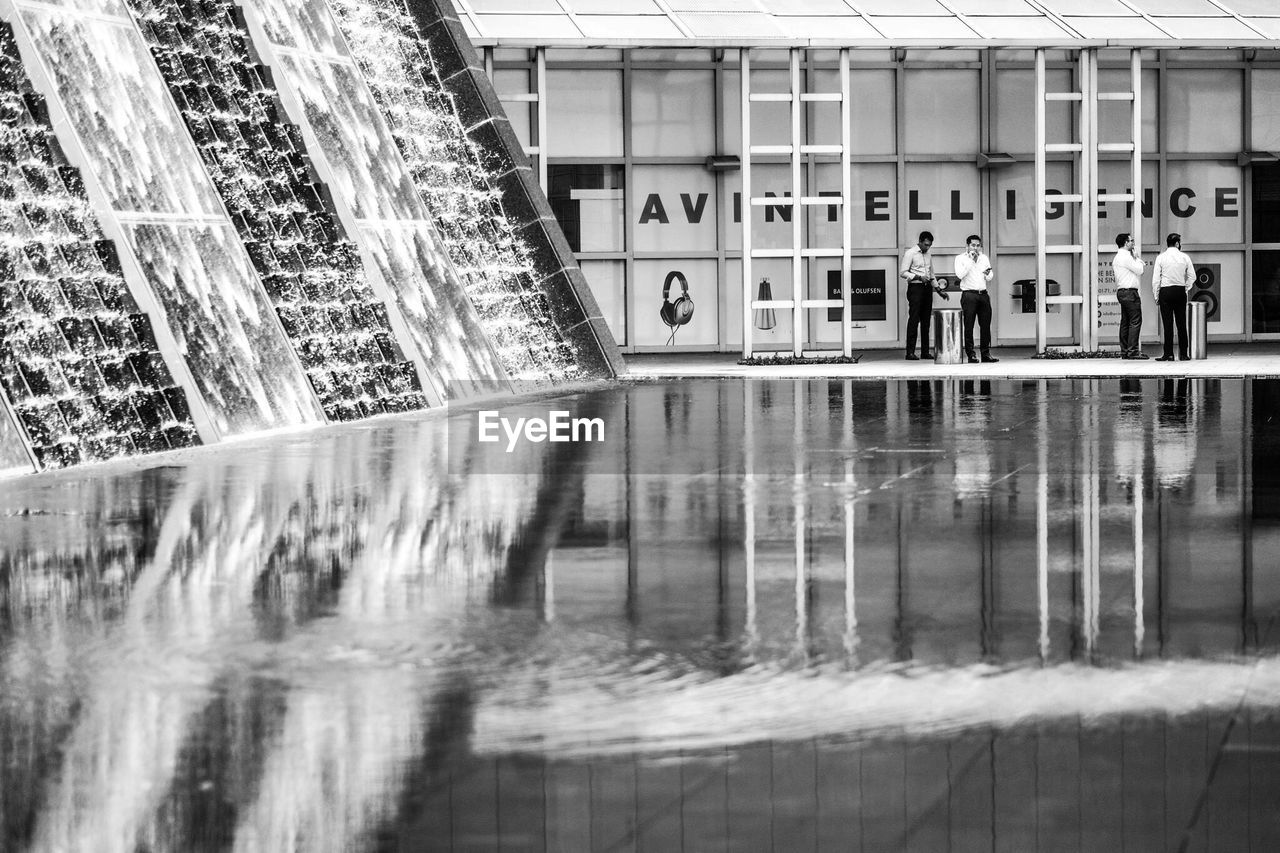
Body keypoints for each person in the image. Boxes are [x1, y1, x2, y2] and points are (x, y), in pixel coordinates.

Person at [899, 230, 947, 360]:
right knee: (914, 319)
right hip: (915, 287)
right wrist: (919, 277)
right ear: (920, 242)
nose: (927, 247)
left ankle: (925, 352)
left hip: (927, 289)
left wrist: (938, 290)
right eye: (925, 244)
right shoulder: (910, 253)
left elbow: (931, 274)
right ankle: (910, 352)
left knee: (926, 321)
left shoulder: (928, 254)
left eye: (929, 245)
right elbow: (903, 272)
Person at [1150, 232, 1196, 361]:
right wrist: (1186, 287)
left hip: (1166, 292)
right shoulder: (1185, 257)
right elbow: (1192, 276)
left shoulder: (1161, 257)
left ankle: (1168, 354)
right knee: (1182, 324)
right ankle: (1183, 354)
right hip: (1180, 291)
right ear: (1177, 243)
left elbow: (1155, 279)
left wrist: (1156, 295)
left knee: (1167, 324)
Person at [953, 234, 997, 363]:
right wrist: (971, 261)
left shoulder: (984, 258)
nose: (975, 248)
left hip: (983, 294)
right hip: (969, 294)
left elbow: (990, 277)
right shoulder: (960, 258)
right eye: (973, 245)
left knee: (985, 325)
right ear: (967, 246)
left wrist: (987, 272)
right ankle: (971, 354)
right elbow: (960, 274)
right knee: (969, 325)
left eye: (978, 245)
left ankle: (985, 354)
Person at [1112, 232, 1148, 359]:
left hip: (1122, 292)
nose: (1133, 243)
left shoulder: (1117, 257)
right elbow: (1140, 270)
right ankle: (1132, 351)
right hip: (1130, 293)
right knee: (1135, 321)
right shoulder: (1126, 257)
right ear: (1126, 243)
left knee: (1125, 322)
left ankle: (1125, 351)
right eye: (1131, 241)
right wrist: (1137, 258)